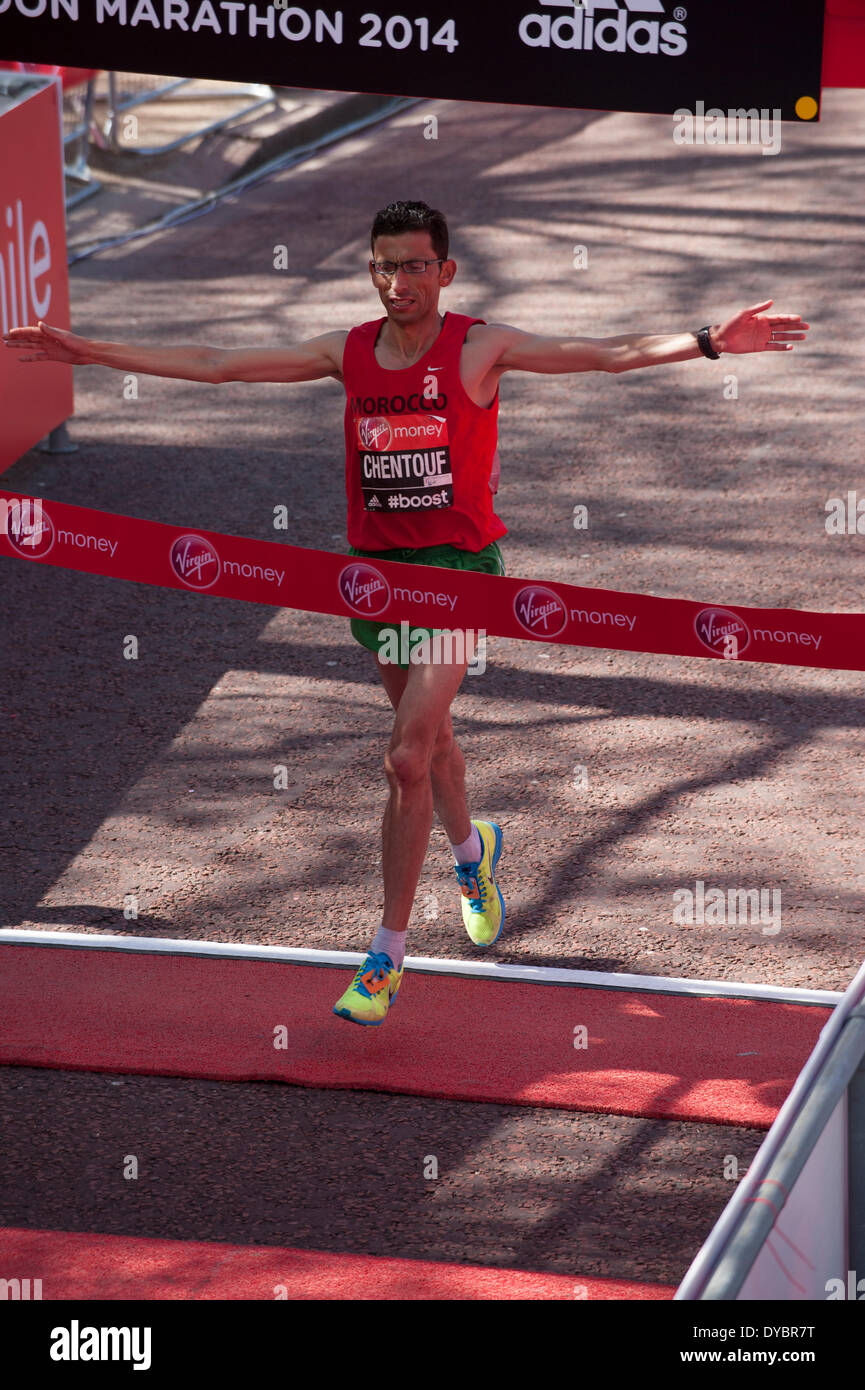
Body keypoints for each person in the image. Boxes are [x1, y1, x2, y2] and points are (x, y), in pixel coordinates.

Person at [3, 199, 809, 1027]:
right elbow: (217, 364)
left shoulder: (479, 346)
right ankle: (474, 853)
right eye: (385, 265)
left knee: (404, 755)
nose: (398, 281)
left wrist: (711, 339)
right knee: (432, 747)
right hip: (376, 581)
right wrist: (85, 351)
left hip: (460, 574)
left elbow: (602, 356)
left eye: (415, 265)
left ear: (445, 272)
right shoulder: (347, 353)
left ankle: (386, 955)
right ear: (373, 272)